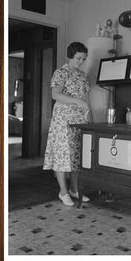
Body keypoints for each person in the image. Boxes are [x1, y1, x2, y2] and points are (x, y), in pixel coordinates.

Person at [43, 42, 92, 206]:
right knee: (63, 155)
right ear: (70, 55)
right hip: (63, 119)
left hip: (80, 120)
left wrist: (89, 117)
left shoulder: (83, 76)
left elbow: (87, 99)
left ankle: (75, 189)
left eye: (83, 59)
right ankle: (63, 192)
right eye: (78, 58)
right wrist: (76, 101)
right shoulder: (61, 73)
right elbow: (55, 94)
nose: (81, 61)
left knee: (77, 155)